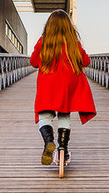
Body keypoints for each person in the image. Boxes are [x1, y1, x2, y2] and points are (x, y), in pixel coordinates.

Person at [30, 9, 96, 166]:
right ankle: (63, 149)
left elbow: (33, 62)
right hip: (67, 85)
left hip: (47, 84)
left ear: (49, 26)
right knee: (64, 115)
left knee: (45, 115)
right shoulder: (73, 43)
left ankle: (48, 142)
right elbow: (86, 61)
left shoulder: (43, 42)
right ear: (68, 26)